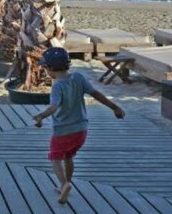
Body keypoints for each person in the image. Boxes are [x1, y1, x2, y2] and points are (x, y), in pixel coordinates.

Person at [32, 47, 125, 204]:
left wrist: (41, 116)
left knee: (55, 157)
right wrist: (115, 108)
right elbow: (95, 94)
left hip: (63, 131)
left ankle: (64, 184)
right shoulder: (78, 77)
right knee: (68, 157)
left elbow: (54, 106)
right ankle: (67, 183)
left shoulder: (57, 86)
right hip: (81, 131)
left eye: (45, 68)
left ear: (49, 68)